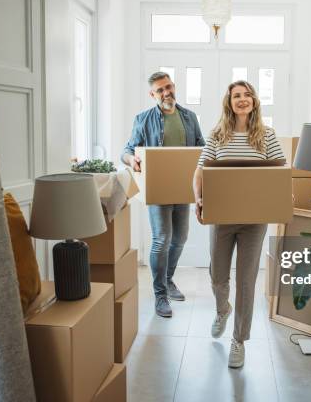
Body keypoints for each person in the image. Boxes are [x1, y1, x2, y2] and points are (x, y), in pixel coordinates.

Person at [192, 80, 285, 368]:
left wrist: (283, 197)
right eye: (236, 96)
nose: (242, 99)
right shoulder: (218, 135)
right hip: (222, 218)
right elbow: (200, 171)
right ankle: (222, 310)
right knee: (218, 275)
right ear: (229, 102)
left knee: (246, 281)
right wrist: (198, 199)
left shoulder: (266, 136)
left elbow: (280, 172)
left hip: (254, 221)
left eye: (247, 95)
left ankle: (239, 340)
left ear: (255, 101)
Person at [122, 71, 205, 318]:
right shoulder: (143, 118)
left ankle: (168, 280)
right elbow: (127, 149)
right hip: (158, 189)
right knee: (161, 239)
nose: (166, 92)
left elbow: (202, 146)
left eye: (168, 87)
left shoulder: (189, 117)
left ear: (174, 86)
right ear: (152, 94)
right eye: (160, 90)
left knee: (180, 238)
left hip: (184, 188)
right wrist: (131, 159)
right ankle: (160, 295)